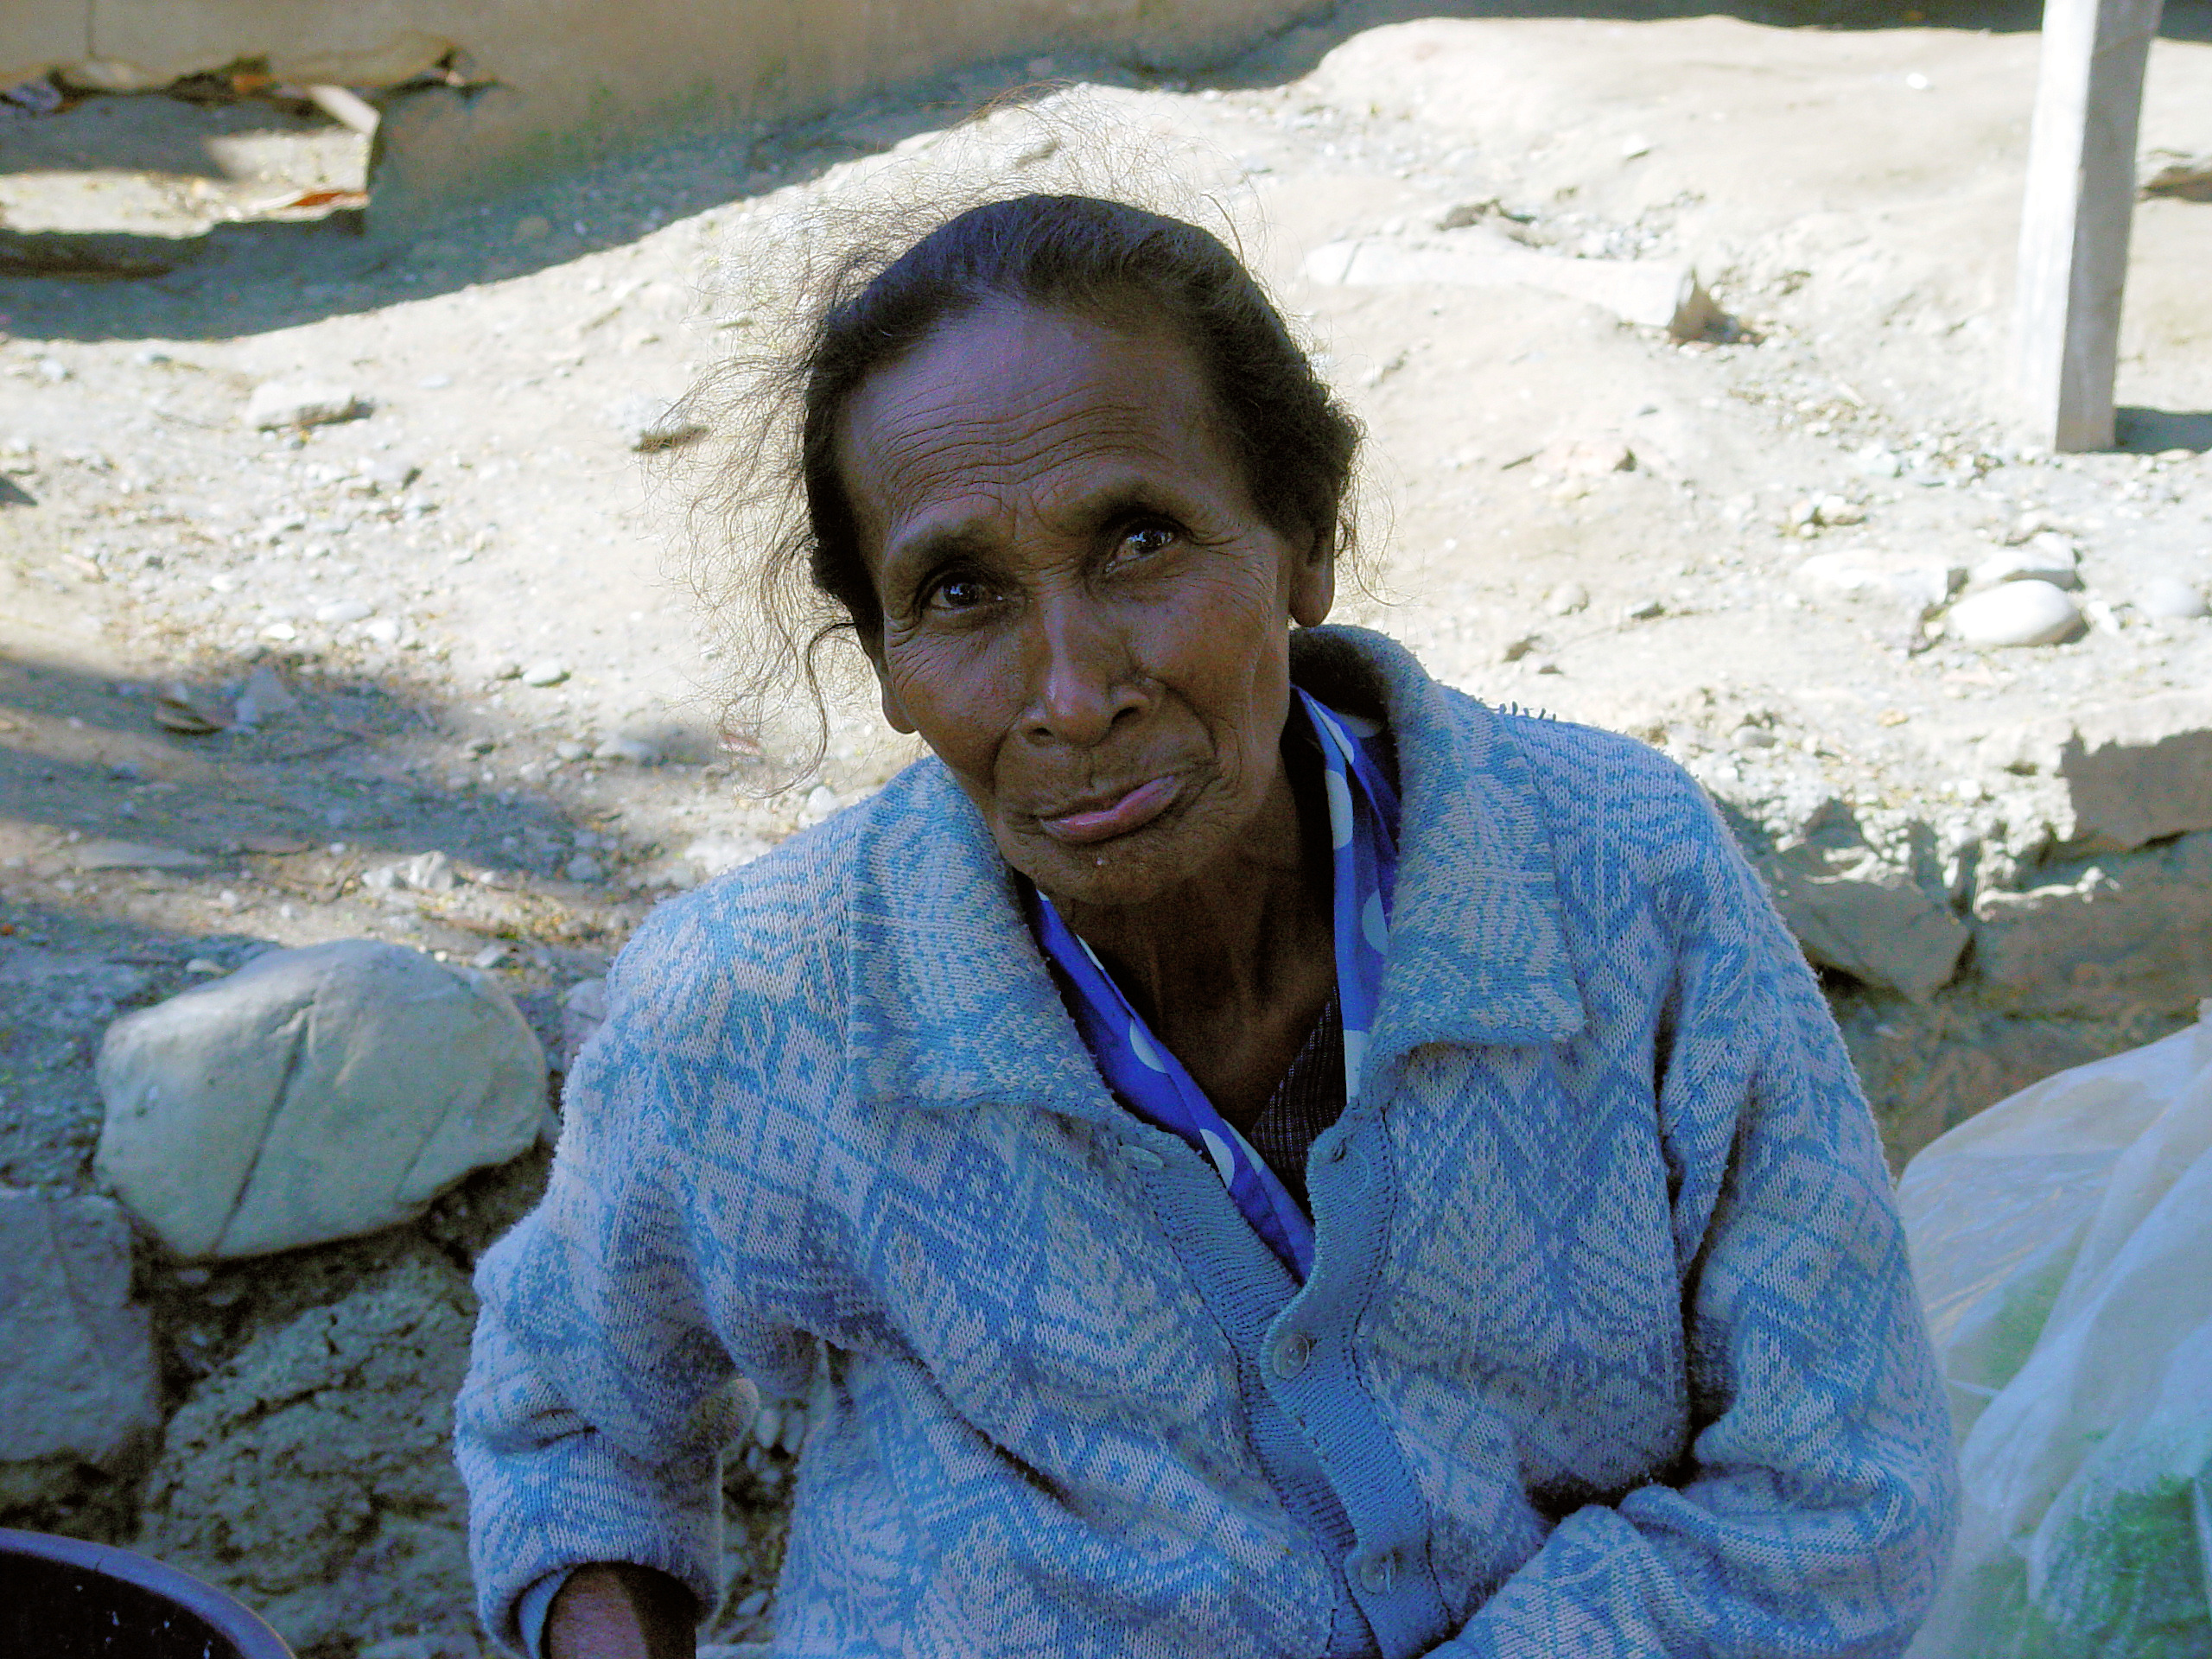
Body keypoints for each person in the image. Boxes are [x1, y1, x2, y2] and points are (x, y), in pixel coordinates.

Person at [456, 194, 1958, 1659]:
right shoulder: (767, 1004)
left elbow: (1844, 1494)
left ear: (1306, 542)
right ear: (886, 661)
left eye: (1141, 545)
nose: (1069, 692)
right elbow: (569, 1410)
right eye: (960, 590)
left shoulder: (1619, 879)